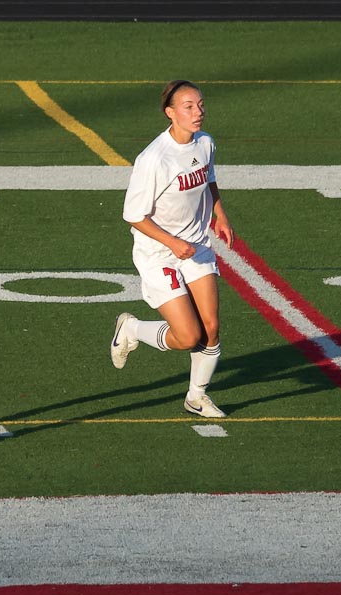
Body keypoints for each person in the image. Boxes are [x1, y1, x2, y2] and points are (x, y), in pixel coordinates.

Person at [112, 80, 235, 418]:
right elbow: (133, 215)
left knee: (210, 328)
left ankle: (197, 397)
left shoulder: (205, 143)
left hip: (196, 246)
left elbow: (208, 178)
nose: (199, 112)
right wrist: (172, 242)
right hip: (159, 254)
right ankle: (132, 328)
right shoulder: (153, 159)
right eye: (189, 107)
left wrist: (220, 215)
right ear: (170, 113)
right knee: (187, 336)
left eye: (200, 104)